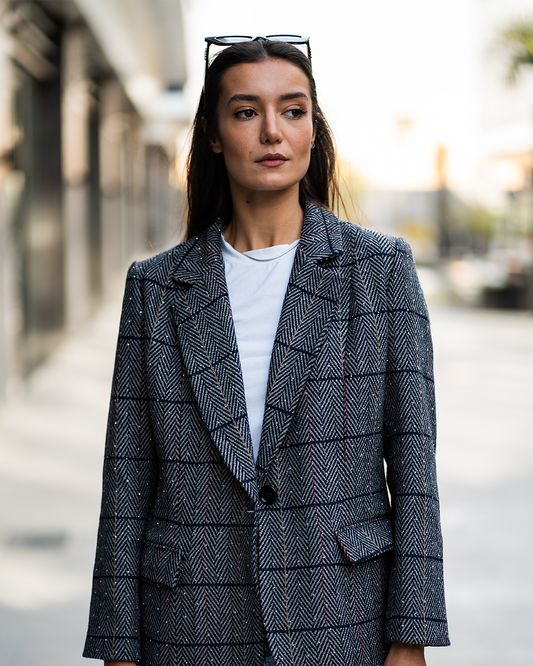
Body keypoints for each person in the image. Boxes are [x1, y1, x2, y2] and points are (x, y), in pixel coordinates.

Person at [83, 36, 449, 666]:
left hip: (340, 614)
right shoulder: (157, 287)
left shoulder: (381, 271)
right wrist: (119, 646)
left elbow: (413, 467)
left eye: (293, 110)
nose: (273, 132)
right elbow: (127, 482)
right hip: (191, 620)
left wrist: (408, 637)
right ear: (216, 135)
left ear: (313, 130)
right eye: (247, 111)